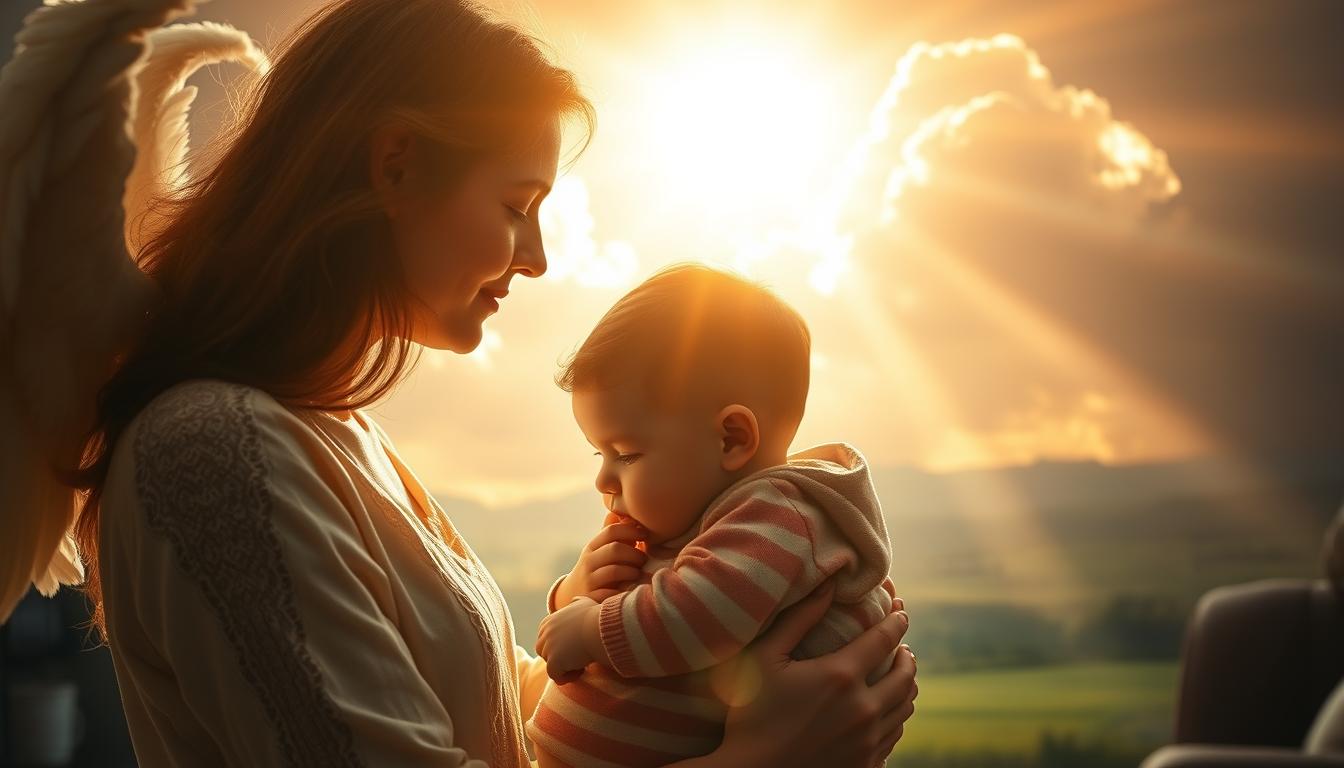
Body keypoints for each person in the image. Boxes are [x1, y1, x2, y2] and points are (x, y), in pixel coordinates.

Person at [0, 0, 918, 765]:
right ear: (396, 164)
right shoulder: (210, 452)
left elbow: (471, 720)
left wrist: (599, 619)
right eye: (516, 206)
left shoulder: (331, 431)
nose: (540, 258)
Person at [527, 264, 901, 767]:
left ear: (732, 439)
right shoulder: (705, 524)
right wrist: (577, 590)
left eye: (627, 454)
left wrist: (593, 628)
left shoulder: (776, 519)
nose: (604, 481)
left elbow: (696, 615)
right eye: (600, 455)